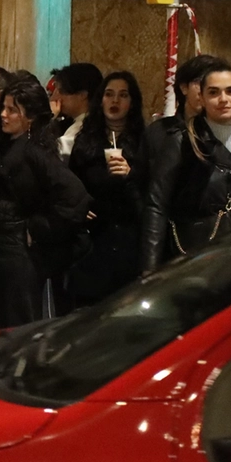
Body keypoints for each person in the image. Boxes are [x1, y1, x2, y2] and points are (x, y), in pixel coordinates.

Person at [0, 80, 90, 330]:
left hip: (18, 255)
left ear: (30, 116)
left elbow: (75, 195)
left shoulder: (36, 150)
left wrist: (39, 227)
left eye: (12, 110)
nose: (4, 115)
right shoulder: (3, 143)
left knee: (17, 324)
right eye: (3, 108)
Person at [142, 60, 231, 273]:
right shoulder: (182, 142)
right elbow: (156, 206)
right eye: (213, 92)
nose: (223, 100)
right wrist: (149, 272)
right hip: (192, 261)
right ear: (201, 97)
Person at [67, 72, 147, 306]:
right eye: (109, 94)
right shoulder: (85, 140)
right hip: (92, 240)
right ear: (100, 99)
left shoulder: (144, 140)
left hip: (129, 239)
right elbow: (71, 184)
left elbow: (151, 191)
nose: (115, 101)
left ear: (132, 103)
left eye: (123, 95)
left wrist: (130, 174)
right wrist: (80, 206)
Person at [49, 63, 104, 160]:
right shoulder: (72, 122)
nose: (56, 98)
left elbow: (50, 157)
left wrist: (50, 118)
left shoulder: (84, 127)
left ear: (82, 95)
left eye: (61, 91)